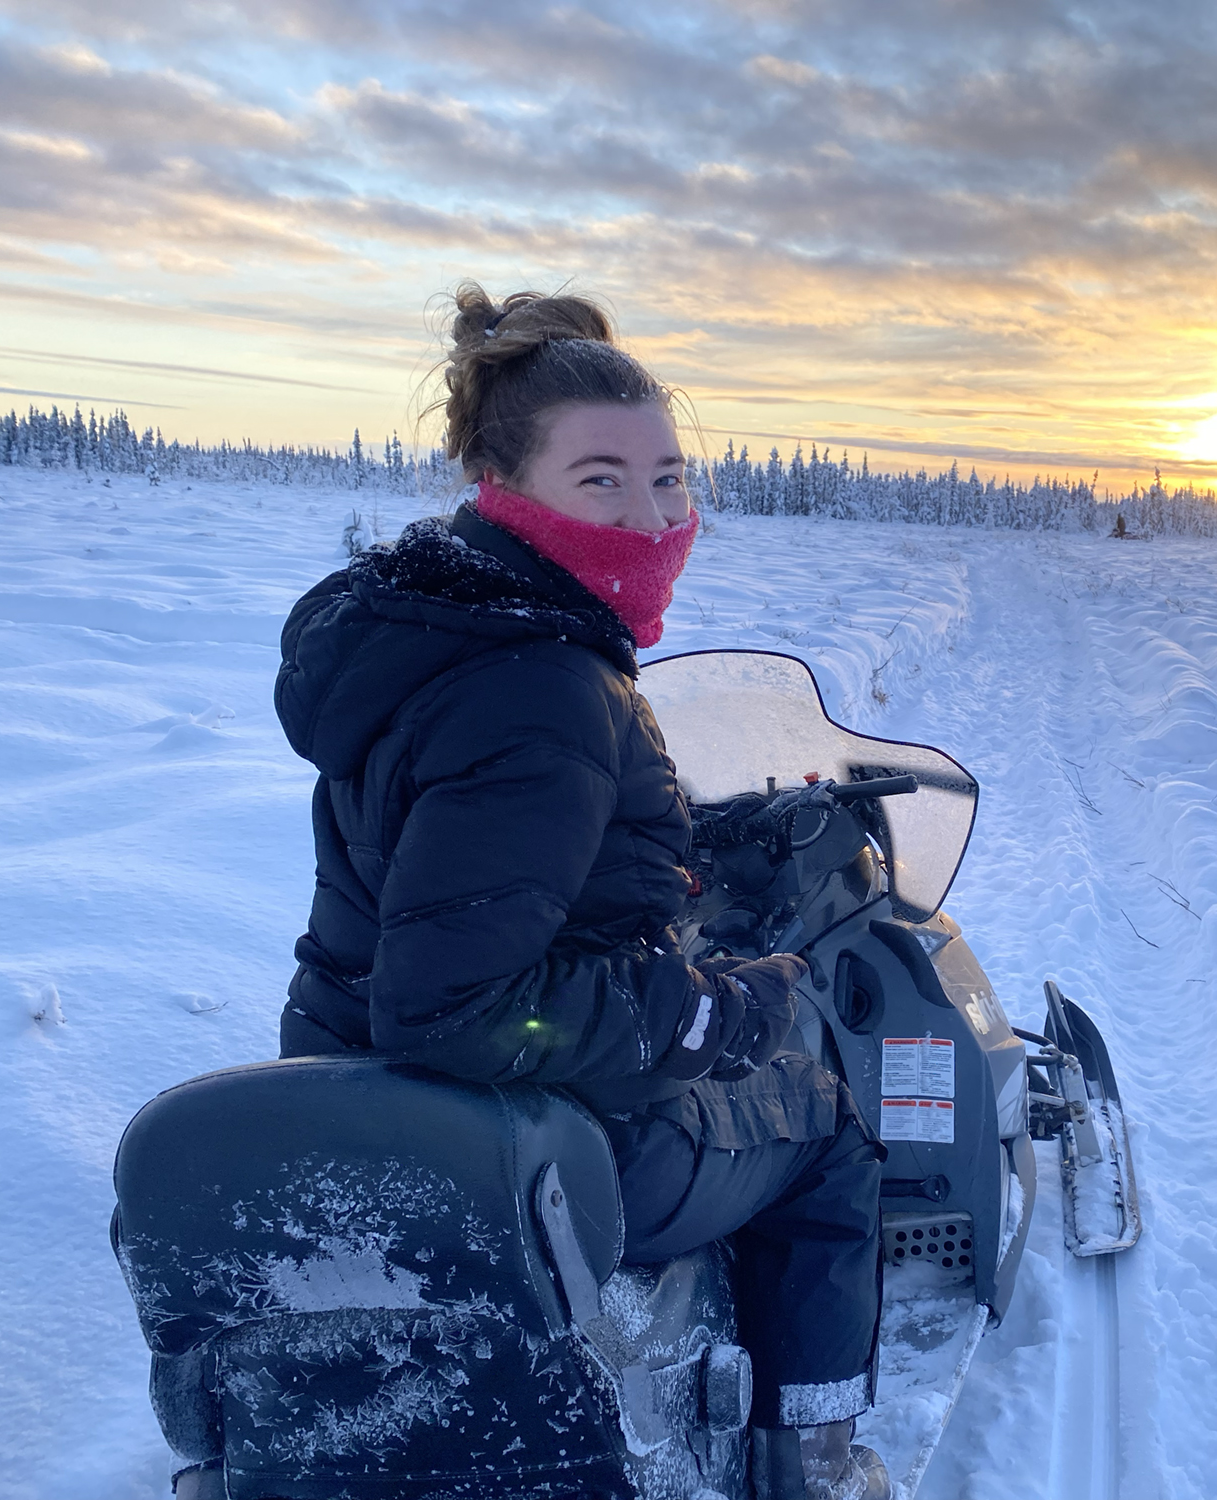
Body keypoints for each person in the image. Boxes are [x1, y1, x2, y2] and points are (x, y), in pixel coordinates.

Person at [272, 284, 889, 1500]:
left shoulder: (433, 629)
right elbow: (454, 1006)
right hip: (533, 1138)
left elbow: (478, 864)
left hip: (347, 1092)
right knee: (825, 1111)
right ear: (507, 489)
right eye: (600, 479)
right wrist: (707, 1014)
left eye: (668, 477)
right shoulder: (541, 688)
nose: (652, 512)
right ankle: (812, 1463)